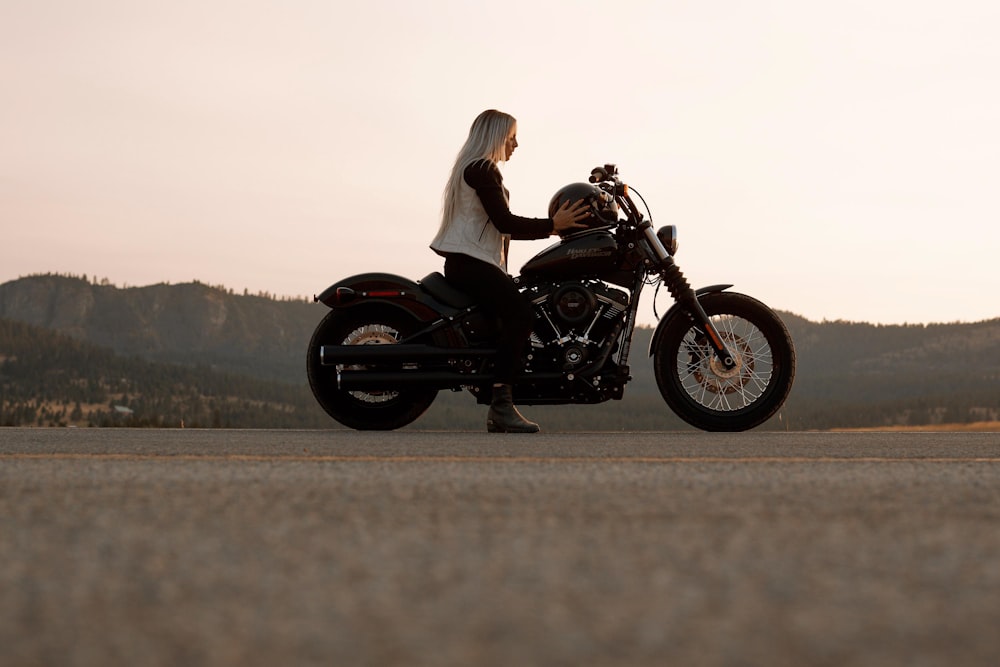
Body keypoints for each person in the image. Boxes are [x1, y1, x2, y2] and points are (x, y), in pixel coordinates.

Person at [430, 109, 591, 433]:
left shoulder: (475, 169)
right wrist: (553, 226)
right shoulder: (481, 169)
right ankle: (501, 405)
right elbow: (505, 222)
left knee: (517, 310)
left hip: (473, 262)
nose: (516, 144)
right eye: (511, 136)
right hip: (470, 262)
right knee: (521, 315)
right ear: (495, 136)